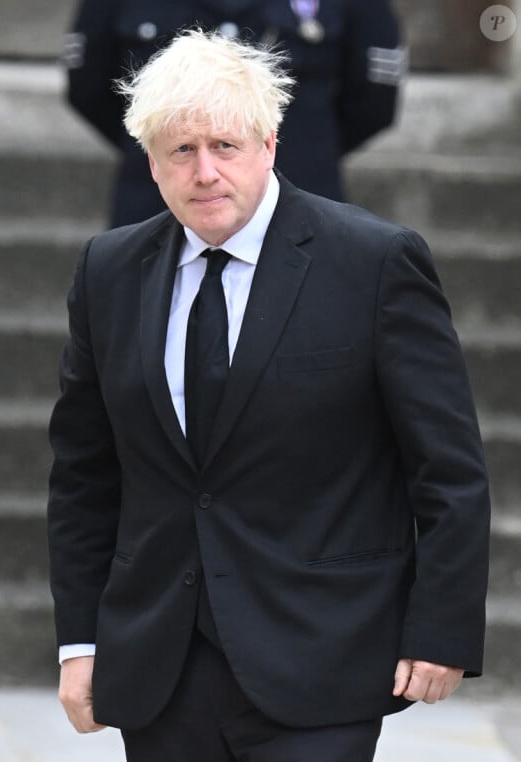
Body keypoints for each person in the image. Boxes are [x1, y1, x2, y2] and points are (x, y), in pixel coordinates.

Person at [48, 29, 490, 762]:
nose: (205, 172)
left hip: (326, 653)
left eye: (225, 146)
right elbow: (84, 476)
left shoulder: (374, 262)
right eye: (180, 151)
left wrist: (440, 629)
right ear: (150, 163)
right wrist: (80, 642)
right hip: (162, 663)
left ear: (269, 146)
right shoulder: (109, 270)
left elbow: (447, 469)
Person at [64, 0, 405, 227]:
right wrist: (167, 151)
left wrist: (267, 151)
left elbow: (373, 100)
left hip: (299, 209)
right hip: (156, 211)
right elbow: (90, 86)